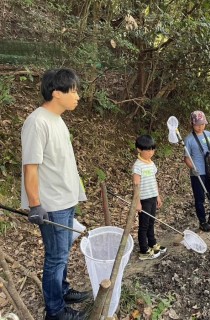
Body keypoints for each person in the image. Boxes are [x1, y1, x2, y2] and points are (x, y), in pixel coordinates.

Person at [21, 68, 90, 320]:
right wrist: (35, 205)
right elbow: (31, 167)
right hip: (52, 205)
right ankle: (56, 311)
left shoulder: (58, 120)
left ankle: (61, 289)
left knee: (62, 253)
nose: (77, 96)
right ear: (56, 93)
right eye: (73, 91)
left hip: (66, 200)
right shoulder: (37, 122)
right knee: (55, 257)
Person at [184, 110, 210, 232]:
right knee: (199, 198)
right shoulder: (188, 140)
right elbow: (186, 158)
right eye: (197, 124)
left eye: (202, 124)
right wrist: (193, 168)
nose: (200, 126)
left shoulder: (209, 135)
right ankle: (202, 222)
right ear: (192, 124)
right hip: (198, 173)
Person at [133, 134, 167, 260]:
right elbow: (136, 184)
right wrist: (137, 202)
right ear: (139, 150)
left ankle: (152, 243)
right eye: (148, 150)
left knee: (151, 222)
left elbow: (154, 181)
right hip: (144, 199)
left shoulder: (151, 164)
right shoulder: (137, 166)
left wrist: (158, 196)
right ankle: (143, 249)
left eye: (153, 149)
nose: (151, 152)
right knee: (144, 225)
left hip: (152, 197)